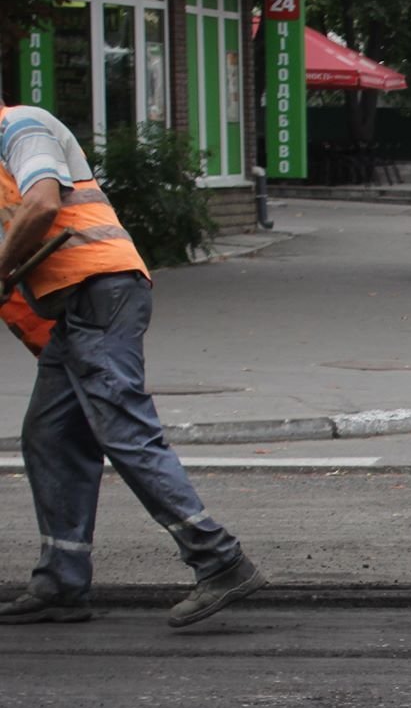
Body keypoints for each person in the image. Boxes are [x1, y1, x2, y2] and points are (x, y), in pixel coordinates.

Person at [0, 101, 264, 626]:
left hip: (100, 290)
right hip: (76, 305)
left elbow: (43, 205)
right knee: (50, 435)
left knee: (123, 428)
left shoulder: (20, 126)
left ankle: (219, 559)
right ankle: (61, 582)